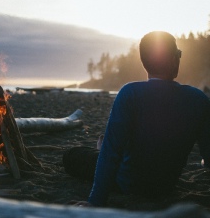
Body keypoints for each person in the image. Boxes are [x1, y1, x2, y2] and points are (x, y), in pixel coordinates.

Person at [63, 31, 210, 207]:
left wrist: (95, 203)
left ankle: (98, 149)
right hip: (166, 185)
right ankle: (100, 149)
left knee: (72, 155)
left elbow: (111, 154)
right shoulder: (198, 99)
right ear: (173, 59)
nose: (180, 57)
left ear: (144, 62)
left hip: (130, 183)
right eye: (179, 54)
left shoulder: (130, 93)